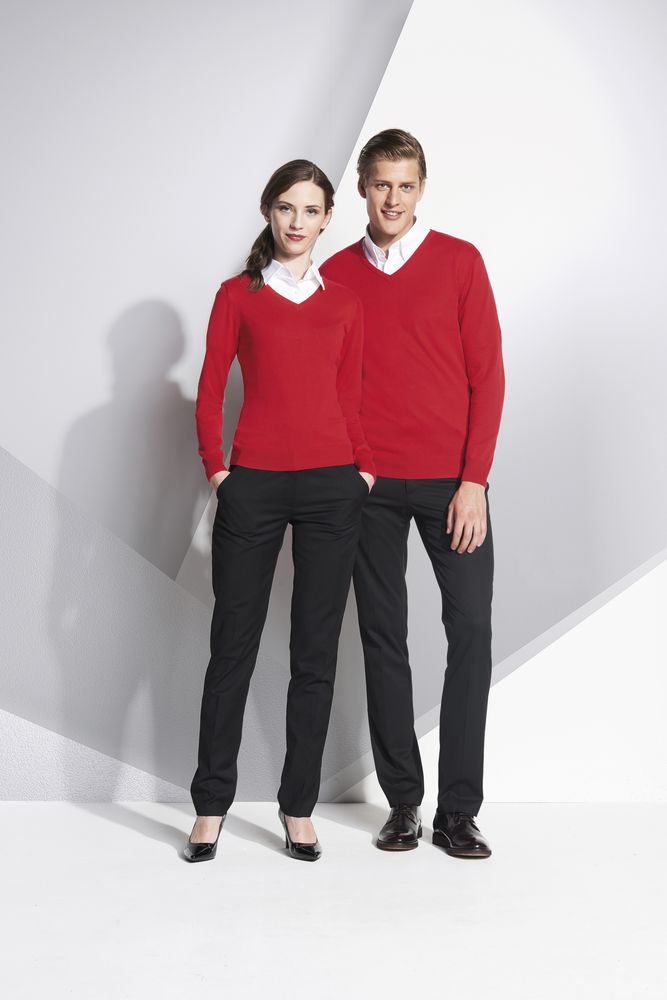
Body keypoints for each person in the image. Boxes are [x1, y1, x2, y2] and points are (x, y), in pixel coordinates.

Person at [184, 160, 376, 863]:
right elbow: (211, 389)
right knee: (231, 646)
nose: (298, 221)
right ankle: (211, 806)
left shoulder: (344, 303)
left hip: (332, 487)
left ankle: (298, 807)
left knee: (314, 653)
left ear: (327, 219)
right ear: (269, 211)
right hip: (254, 485)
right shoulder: (237, 295)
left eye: (311, 210)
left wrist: (361, 469)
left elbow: (350, 396)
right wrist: (219, 472)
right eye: (287, 207)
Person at [320, 129, 505, 858]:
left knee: (472, 631)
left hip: (452, 484)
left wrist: (474, 481)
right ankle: (403, 803)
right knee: (381, 637)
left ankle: (458, 811)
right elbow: (325, 385)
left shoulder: (460, 263)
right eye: (380, 185)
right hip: (368, 486)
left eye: (404, 185)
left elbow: (487, 377)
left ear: (421, 188)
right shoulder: (335, 274)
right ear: (362, 188)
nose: (392, 199)